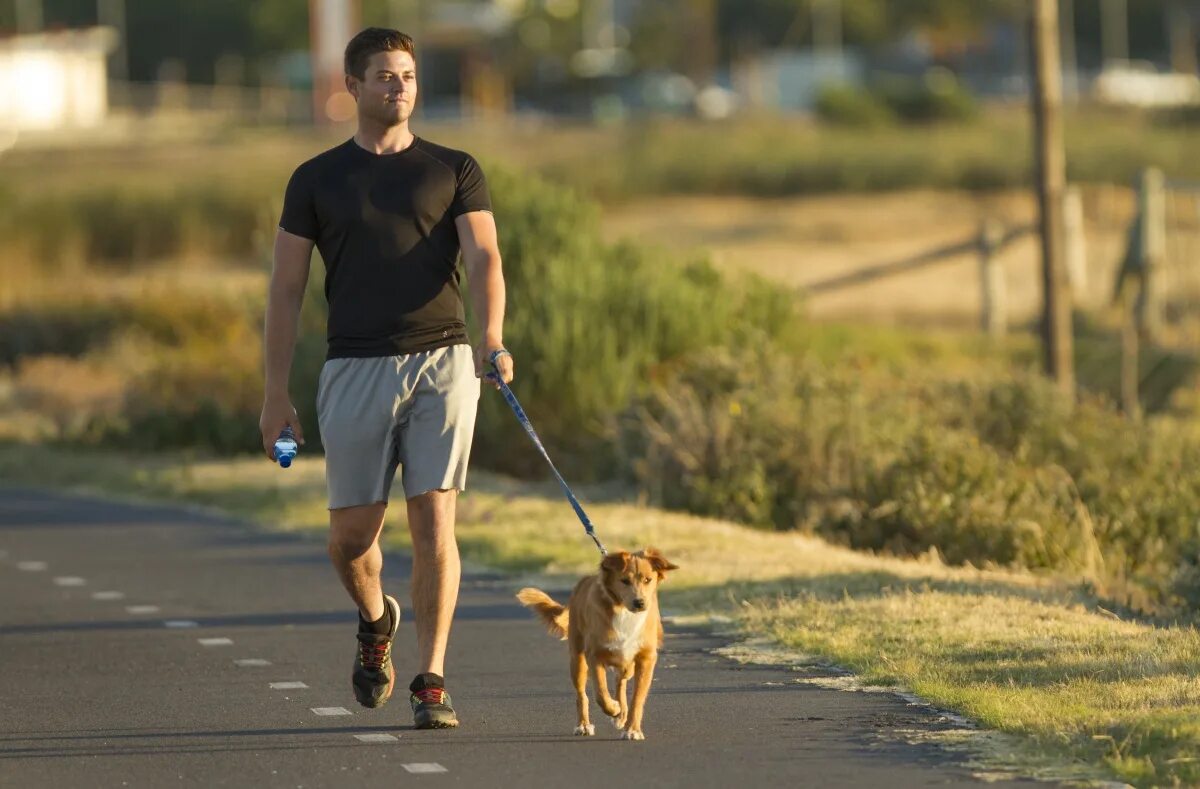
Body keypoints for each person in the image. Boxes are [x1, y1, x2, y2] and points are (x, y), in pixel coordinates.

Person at [258, 27, 514, 730]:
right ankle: (376, 620)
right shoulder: (316, 179)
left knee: (435, 519)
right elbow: (285, 290)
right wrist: (275, 393)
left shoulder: (454, 168)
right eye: (383, 76)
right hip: (353, 365)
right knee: (350, 538)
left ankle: (431, 677)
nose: (398, 86)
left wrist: (491, 337)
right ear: (353, 86)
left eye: (406, 75)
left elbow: (485, 256)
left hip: (443, 359)